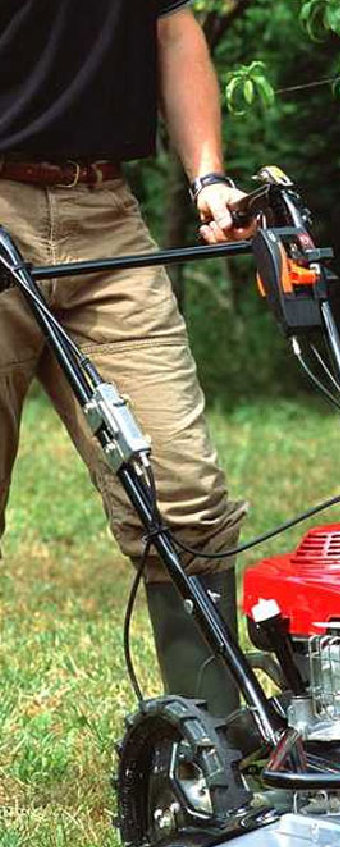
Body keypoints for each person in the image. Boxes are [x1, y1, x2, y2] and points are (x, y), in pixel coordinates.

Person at [0, 1, 253, 716]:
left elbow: (173, 31)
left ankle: (217, 752)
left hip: (105, 217)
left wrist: (208, 179)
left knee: (184, 493)